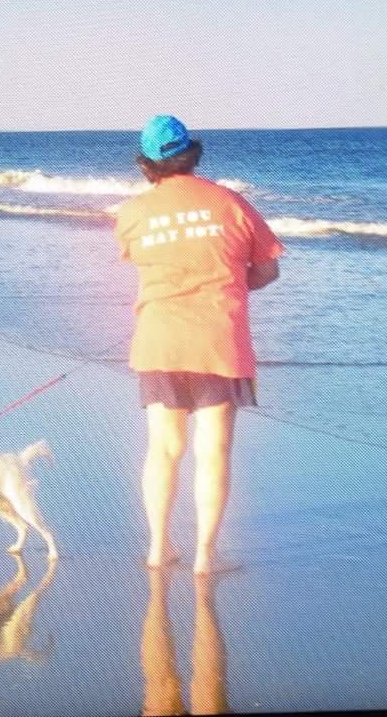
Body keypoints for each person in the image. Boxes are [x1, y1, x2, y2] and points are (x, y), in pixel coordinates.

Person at [114, 115, 284, 575]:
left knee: (163, 449)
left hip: (160, 339)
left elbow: (140, 259)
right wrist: (232, 282)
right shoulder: (230, 202)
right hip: (219, 338)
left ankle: (157, 546)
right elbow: (268, 269)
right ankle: (205, 556)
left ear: (146, 164)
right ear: (192, 153)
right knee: (213, 452)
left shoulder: (132, 213)